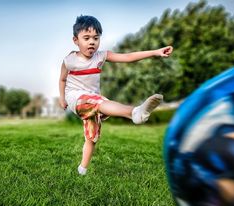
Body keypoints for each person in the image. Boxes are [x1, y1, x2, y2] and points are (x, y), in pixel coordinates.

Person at [59, 15, 173, 175]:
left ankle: (82, 170)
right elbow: (63, 79)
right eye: (86, 38)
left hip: (94, 99)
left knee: (92, 137)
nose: (92, 42)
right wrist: (62, 98)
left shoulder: (100, 56)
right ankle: (134, 113)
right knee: (99, 102)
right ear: (75, 40)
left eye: (96, 38)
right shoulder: (69, 60)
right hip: (76, 98)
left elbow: (127, 57)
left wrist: (155, 52)